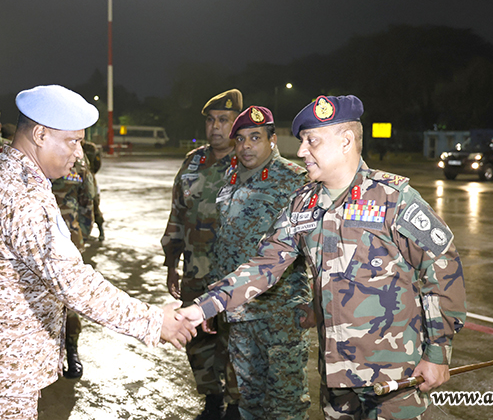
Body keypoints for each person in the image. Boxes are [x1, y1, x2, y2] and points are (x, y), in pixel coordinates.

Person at [180, 95, 467, 420]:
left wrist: (437, 352)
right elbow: (264, 265)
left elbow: (443, 269)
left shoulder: (393, 199)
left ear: (346, 142)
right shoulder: (303, 204)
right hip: (336, 378)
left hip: (394, 376)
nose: (302, 151)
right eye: (303, 141)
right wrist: (205, 306)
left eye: (311, 141)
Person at [0, 85, 196, 420]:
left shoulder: (0, 172)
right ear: (40, 134)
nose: (79, 154)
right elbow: (73, 282)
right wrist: (154, 322)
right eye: (73, 141)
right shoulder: (21, 195)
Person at [211, 106, 312, 419]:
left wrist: (317, 302)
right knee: (249, 399)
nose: (246, 146)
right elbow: (224, 241)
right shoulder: (230, 177)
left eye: (255, 137)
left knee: (286, 403)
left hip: (279, 313)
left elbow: (317, 247)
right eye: (240, 139)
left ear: (273, 139)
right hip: (238, 313)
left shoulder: (295, 180)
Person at [161, 88, 242, 419]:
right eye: (210, 120)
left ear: (237, 123)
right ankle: (212, 398)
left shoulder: (248, 162)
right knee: (197, 342)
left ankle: (236, 405)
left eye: (223, 120)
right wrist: (171, 263)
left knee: (235, 340)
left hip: (236, 276)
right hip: (196, 271)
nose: (215, 127)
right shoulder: (192, 162)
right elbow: (177, 214)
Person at [51, 154, 96, 379]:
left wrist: (81, 236)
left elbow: (88, 201)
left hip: (69, 239)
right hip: (34, 239)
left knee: (69, 297)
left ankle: (71, 349)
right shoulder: (31, 155)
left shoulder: (79, 162)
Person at [80, 140, 105, 241]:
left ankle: (100, 229)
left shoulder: (90, 148)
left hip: (88, 179)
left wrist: (90, 173)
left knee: (93, 204)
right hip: (74, 179)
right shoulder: (71, 145)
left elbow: (97, 164)